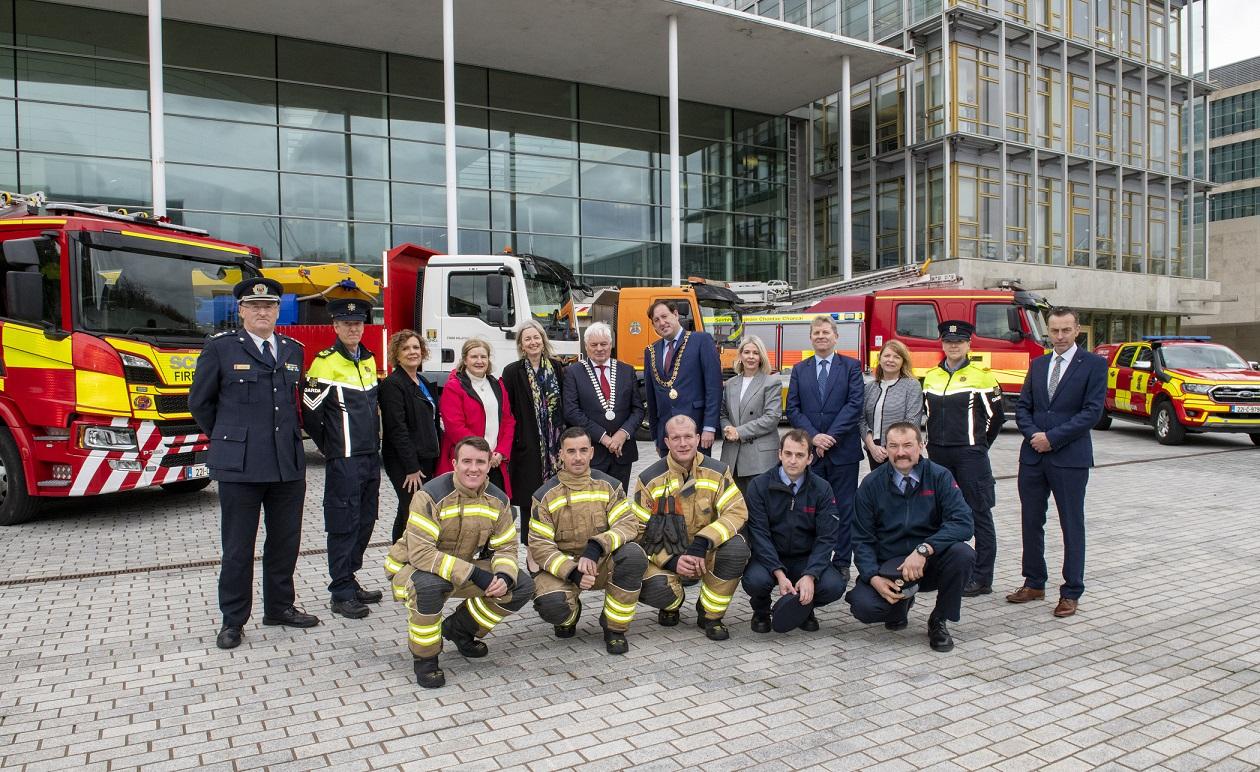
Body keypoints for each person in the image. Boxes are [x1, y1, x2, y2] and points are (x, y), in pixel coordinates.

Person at [190, 277, 318, 650]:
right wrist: (229, 437)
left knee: (285, 542)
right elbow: (200, 403)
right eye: (255, 306)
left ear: (278, 311)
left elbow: (295, 403)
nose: (262, 312)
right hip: (240, 466)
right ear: (241, 310)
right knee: (238, 547)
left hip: (286, 464)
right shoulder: (221, 348)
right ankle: (233, 619)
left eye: (269, 306)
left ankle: (279, 607)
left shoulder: (293, 349)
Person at [383, 436, 534, 689]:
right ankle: (426, 657)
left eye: (480, 462)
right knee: (428, 586)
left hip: (457, 569)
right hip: (411, 570)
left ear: (489, 465)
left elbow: (506, 547)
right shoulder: (429, 496)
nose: (473, 468)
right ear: (454, 463)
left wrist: (504, 576)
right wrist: (476, 574)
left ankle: (460, 629)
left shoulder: (499, 500)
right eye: (466, 461)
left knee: (521, 585)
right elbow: (421, 554)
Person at [1008, 306, 1107, 618]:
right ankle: (1034, 582)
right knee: (1031, 521)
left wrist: (1052, 438)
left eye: (1066, 330)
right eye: (1054, 331)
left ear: (1077, 329)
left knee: (1071, 524)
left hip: (1069, 458)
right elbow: (1023, 407)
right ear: (1047, 331)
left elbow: (1091, 412)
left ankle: (1071, 591)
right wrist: (1035, 434)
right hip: (1033, 457)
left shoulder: (1093, 365)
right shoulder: (1038, 365)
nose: (1060, 336)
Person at [846, 422, 976, 652]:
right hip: (890, 568)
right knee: (863, 607)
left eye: (908, 445)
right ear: (885, 448)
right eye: (893, 446)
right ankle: (900, 602)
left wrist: (924, 549)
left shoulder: (939, 477)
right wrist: (873, 577)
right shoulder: (871, 484)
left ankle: (939, 620)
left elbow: (963, 523)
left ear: (921, 446)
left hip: (929, 564)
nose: (901, 452)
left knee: (963, 554)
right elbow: (861, 539)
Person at [528, 428, 648, 654]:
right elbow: (540, 547)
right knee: (552, 605)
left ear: (592, 452)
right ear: (560, 454)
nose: (578, 457)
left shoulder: (610, 486)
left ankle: (615, 628)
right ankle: (569, 614)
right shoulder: (544, 495)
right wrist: (572, 572)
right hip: (563, 570)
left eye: (583, 450)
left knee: (633, 555)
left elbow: (627, 525)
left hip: (600, 562)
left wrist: (596, 546)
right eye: (571, 451)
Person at [302, 298, 383, 620]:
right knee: (342, 524)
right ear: (335, 326)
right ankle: (340, 591)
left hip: (369, 458)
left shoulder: (368, 359)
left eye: (358, 323)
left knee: (365, 521)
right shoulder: (325, 362)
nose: (353, 328)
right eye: (346, 324)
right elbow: (310, 414)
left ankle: (350, 577)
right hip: (344, 460)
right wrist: (331, 447)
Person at [634, 415, 750, 641]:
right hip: (667, 558)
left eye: (688, 436)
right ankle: (671, 603)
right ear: (666, 442)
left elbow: (736, 512)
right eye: (676, 438)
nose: (683, 443)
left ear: (698, 438)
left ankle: (710, 614)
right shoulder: (649, 479)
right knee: (644, 576)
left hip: (705, 553)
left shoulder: (718, 471)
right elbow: (639, 532)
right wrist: (672, 560)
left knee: (737, 548)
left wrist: (703, 542)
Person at [921, 320, 1004, 598]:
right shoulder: (931, 376)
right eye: (948, 341)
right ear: (942, 344)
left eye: (959, 342)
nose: (953, 346)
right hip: (938, 455)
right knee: (942, 514)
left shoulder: (983, 377)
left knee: (979, 514)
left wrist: (978, 446)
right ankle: (945, 570)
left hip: (970, 455)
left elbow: (996, 418)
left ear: (969, 344)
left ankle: (982, 577)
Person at [742, 429, 848, 634]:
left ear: (810, 458)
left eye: (799, 455)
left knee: (834, 585)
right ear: (779, 454)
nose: (793, 460)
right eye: (788, 454)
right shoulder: (759, 486)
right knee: (755, 581)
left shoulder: (822, 488)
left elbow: (827, 537)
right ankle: (761, 610)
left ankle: (802, 608)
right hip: (769, 557)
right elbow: (759, 534)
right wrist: (779, 573)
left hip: (805, 558)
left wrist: (811, 574)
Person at [785, 314, 864, 574]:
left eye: (825, 332)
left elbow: (854, 405)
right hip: (811, 452)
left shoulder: (851, 366)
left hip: (843, 450)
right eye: (816, 333)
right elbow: (793, 408)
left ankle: (841, 563)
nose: (821, 336)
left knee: (844, 508)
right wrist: (813, 437)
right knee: (811, 508)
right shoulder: (800, 369)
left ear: (836, 337)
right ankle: (812, 561)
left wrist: (829, 436)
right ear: (811, 337)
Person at [502, 320, 566, 571]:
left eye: (536, 337)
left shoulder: (558, 369)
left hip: (555, 449)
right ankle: (530, 554)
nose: (533, 342)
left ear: (543, 339)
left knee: (554, 501)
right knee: (530, 504)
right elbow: (507, 412)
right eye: (527, 339)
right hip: (528, 449)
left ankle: (553, 549)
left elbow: (564, 407)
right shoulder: (512, 372)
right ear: (521, 344)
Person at [561, 322, 644, 491]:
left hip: (622, 452)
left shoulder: (626, 371)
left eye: (604, 344)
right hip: (591, 453)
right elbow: (572, 412)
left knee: (619, 502)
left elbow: (637, 409)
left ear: (611, 345)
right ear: (586, 346)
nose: (599, 348)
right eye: (594, 345)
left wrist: (623, 434)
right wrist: (604, 438)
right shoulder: (573, 372)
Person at [379, 330, 442, 543]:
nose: (412, 352)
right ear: (396, 354)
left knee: (407, 508)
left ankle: (399, 555)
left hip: (426, 458)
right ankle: (406, 557)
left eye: (416, 347)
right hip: (406, 463)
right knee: (414, 510)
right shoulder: (393, 384)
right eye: (405, 348)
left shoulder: (421, 381)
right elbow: (397, 429)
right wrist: (411, 467)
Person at [436, 339, 515, 496]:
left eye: (483, 357)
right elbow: (455, 427)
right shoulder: (454, 387)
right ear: (465, 360)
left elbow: (508, 421)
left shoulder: (497, 385)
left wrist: (500, 452)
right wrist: (484, 453)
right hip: (468, 464)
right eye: (474, 357)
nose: (479, 361)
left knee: (497, 510)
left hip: (495, 464)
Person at [643, 300, 722, 456]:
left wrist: (709, 427)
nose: (662, 323)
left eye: (664, 316)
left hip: (697, 431)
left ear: (676, 314)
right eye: (656, 320)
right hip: (667, 435)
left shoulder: (701, 341)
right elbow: (651, 397)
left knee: (698, 479)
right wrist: (656, 437)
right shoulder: (651, 351)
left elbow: (714, 387)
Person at [719, 335, 783, 491]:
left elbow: (771, 418)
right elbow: (722, 414)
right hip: (733, 456)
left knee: (759, 509)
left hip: (759, 458)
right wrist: (727, 429)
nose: (751, 357)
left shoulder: (771, 383)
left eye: (756, 353)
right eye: (747, 352)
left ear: (761, 357)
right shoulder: (730, 384)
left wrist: (739, 432)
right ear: (740, 355)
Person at [860, 339, 922, 470]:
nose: (890, 360)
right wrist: (872, 447)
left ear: (903, 361)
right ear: (880, 358)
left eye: (896, 357)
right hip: (875, 452)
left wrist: (893, 448)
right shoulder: (869, 387)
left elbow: (912, 422)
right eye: (887, 356)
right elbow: (861, 420)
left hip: (901, 452)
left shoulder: (911, 385)